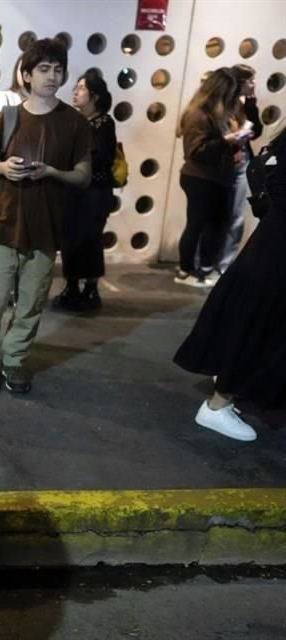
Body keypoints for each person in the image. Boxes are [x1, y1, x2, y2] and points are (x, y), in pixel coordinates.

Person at [0, 38, 91, 394]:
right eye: (43, 69)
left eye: (57, 69)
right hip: (1, 224)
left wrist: (51, 172)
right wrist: (4, 167)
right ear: (26, 75)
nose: (52, 76)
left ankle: (14, 360)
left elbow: (83, 175)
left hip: (47, 229)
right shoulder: (8, 117)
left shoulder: (74, 124)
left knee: (30, 305)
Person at [173, 125, 286, 441]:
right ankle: (218, 404)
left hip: (270, 247)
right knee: (259, 326)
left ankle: (227, 395)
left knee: (256, 324)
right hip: (276, 256)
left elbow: (262, 170)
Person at [175, 67, 250, 288]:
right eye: (230, 92)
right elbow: (195, 151)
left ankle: (205, 268)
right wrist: (227, 141)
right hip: (200, 177)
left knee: (217, 223)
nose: (233, 97)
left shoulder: (218, 112)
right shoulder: (199, 114)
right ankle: (185, 270)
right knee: (197, 224)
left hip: (216, 178)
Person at [55, 69, 117, 311]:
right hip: (72, 189)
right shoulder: (74, 120)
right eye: (76, 87)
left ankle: (91, 289)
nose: (75, 92)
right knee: (69, 239)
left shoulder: (104, 123)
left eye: (81, 88)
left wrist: (73, 156)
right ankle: (70, 286)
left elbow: (102, 158)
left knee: (90, 239)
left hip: (95, 192)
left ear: (96, 96)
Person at [218, 64, 264, 272]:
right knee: (218, 215)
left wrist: (252, 102)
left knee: (236, 215)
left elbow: (256, 130)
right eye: (250, 80)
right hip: (225, 163)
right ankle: (207, 262)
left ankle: (225, 264)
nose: (253, 84)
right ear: (240, 82)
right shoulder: (222, 104)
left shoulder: (244, 104)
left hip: (243, 161)